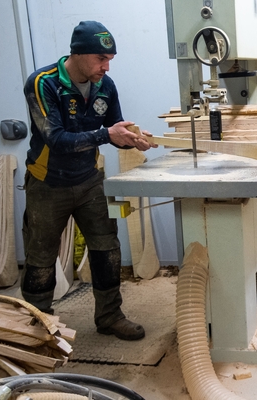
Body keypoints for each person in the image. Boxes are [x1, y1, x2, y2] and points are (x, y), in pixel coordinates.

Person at [21, 21, 156, 340]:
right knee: (40, 258)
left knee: (107, 249)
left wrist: (132, 138)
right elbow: (56, 138)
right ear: (77, 54)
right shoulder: (43, 83)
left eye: (110, 59)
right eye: (100, 59)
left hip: (90, 181)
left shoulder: (105, 86)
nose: (106, 67)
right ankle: (39, 327)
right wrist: (108, 134)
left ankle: (109, 316)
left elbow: (113, 131)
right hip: (47, 183)